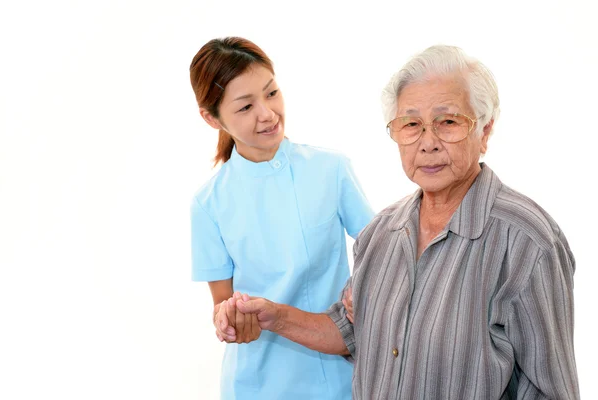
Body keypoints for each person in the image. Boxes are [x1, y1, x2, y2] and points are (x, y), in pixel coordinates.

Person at [223, 45, 580, 399]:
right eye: (411, 125)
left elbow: (551, 390)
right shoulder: (380, 233)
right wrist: (275, 317)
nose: (428, 143)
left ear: (484, 131)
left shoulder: (527, 242)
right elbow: (351, 330)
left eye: (448, 122)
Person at [189, 37, 374, 400]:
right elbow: (221, 305)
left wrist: (362, 293)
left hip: (337, 371)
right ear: (212, 118)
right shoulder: (208, 204)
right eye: (245, 107)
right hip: (258, 382)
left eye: (271, 93)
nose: (267, 114)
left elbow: (379, 251)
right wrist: (229, 321)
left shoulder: (331, 170)